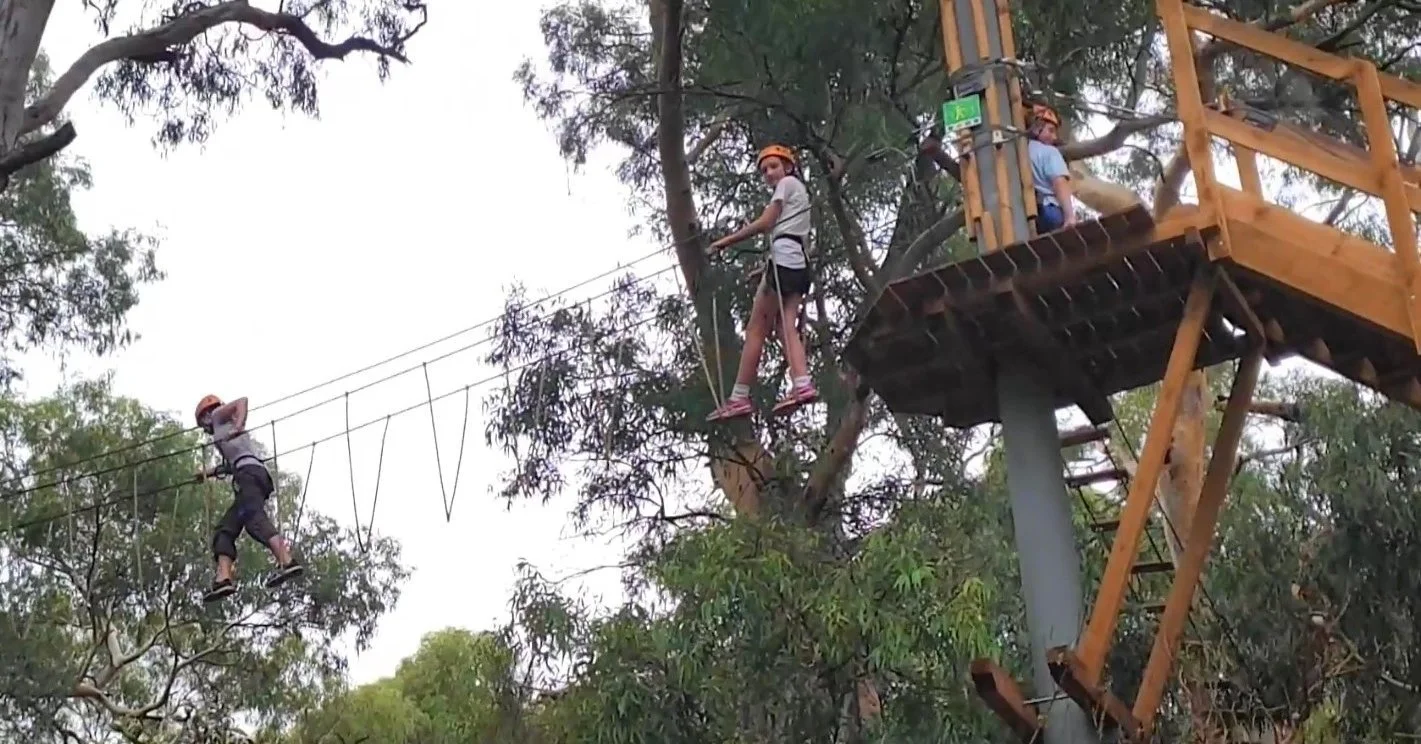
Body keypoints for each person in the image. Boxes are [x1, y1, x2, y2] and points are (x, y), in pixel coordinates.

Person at [704, 144, 819, 421]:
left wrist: (724, 243)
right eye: (764, 170)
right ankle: (802, 384)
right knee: (784, 327)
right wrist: (765, 269)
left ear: (788, 167)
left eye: (773, 166)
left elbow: (767, 223)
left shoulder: (788, 183)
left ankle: (738, 397)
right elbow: (792, 235)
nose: (769, 173)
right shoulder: (799, 194)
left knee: (756, 328)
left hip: (785, 261)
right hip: (798, 265)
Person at [194, 394, 304, 603]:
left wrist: (239, 424)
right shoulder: (223, 431)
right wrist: (206, 474)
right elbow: (229, 465)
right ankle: (223, 579)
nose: (204, 429)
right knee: (225, 531)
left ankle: (286, 561)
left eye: (202, 423)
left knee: (254, 520)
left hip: (249, 475)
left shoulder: (218, 416)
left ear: (207, 415)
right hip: (249, 475)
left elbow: (242, 402)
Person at [1024, 102, 1077, 233]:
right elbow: (1059, 183)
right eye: (1050, 130)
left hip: (1029, 216)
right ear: (1037, 129)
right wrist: (1070, 217)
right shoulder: (1049, 152)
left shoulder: (1022, 153)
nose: (1054, 137)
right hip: (1050, 212)